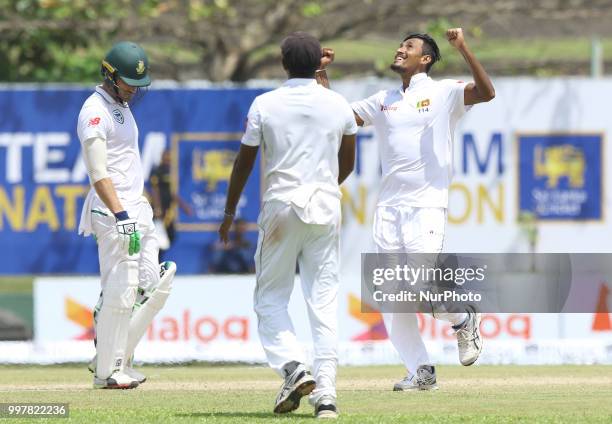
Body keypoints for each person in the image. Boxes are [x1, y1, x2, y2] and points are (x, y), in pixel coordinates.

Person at [317, 28, 495, 391]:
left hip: (427, 205)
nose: (400, 50)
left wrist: (462, 47)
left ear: (424, 59)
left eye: (408, 47)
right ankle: (421, 371)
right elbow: (338, 117)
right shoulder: (383, 99)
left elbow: (487, 92)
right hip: (389, 211)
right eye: (400, 45)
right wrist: (320, 73)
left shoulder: (443, 92)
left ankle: (463, 320)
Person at [218, 32, 357, 418]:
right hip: (326, 209)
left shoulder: (265, 103)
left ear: (282, 63)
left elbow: (244, 162)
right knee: (324, 302)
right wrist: (325, 188)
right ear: (319, 65)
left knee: (269, 298)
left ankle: (294, 367)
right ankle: (326, 396)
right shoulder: (338, 104)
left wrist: (229, 212)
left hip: (281, 208)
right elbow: (348, 163)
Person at [77, 41, 176, 389]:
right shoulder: (94, 111)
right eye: (128, 83)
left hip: (137, 208)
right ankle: (107, 372)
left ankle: (116, 354)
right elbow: (98, 173)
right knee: (122, 289)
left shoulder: (120, 105)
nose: (134, 90)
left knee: (155, 284)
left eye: (138, 84)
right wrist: (121, 214)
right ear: (109, 74)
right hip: (112, 211)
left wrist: (137, 205)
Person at [150, 149, 192, 261]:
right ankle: (155, 261)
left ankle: (158, 261)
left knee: (170, 236)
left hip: (168, 211)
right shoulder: (157, 171)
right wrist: (157, 208)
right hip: (160, 211)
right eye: (166, 156)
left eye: (170, 157)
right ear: (162, 157)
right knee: (158, 237)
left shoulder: (169, 171)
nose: (168, 159)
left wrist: (184, 206)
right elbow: (155, 190)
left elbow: (171, 193)